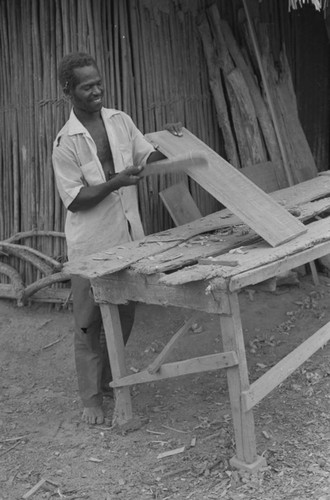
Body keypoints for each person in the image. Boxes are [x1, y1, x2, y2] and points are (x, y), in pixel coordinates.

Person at [52, 52, 182, 425]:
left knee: (124, 316)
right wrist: (115, 183)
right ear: (68, 90)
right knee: (88, 322)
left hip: (128, 239)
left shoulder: (120, 121)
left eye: (98, 82)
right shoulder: (66, 143)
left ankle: (109, 381)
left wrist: (171, 140)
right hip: (90, 246)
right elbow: (75, 200)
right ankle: (91, 400)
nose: (97, 91)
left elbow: (147, 157)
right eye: (86, 86)